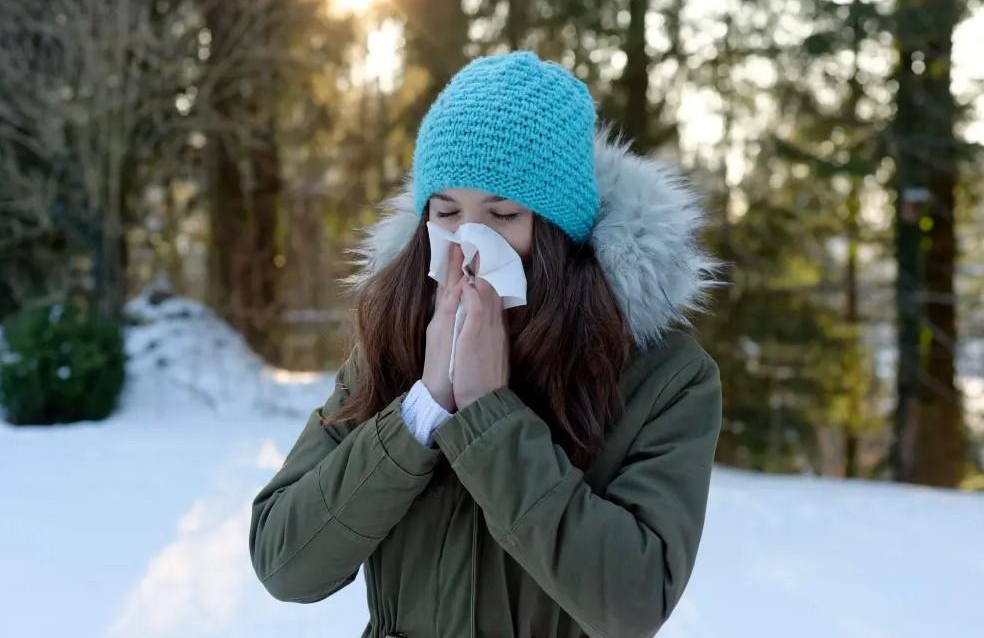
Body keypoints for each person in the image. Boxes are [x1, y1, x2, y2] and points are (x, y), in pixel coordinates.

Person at [249, 50, 725, 638]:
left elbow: (633, 601)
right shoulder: (392, 345)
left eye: (502, 215)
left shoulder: (664, 377)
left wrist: (488, 414)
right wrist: (423, 407)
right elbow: (285, 564)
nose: (470, 242)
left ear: (558, 231)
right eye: (447, 212)